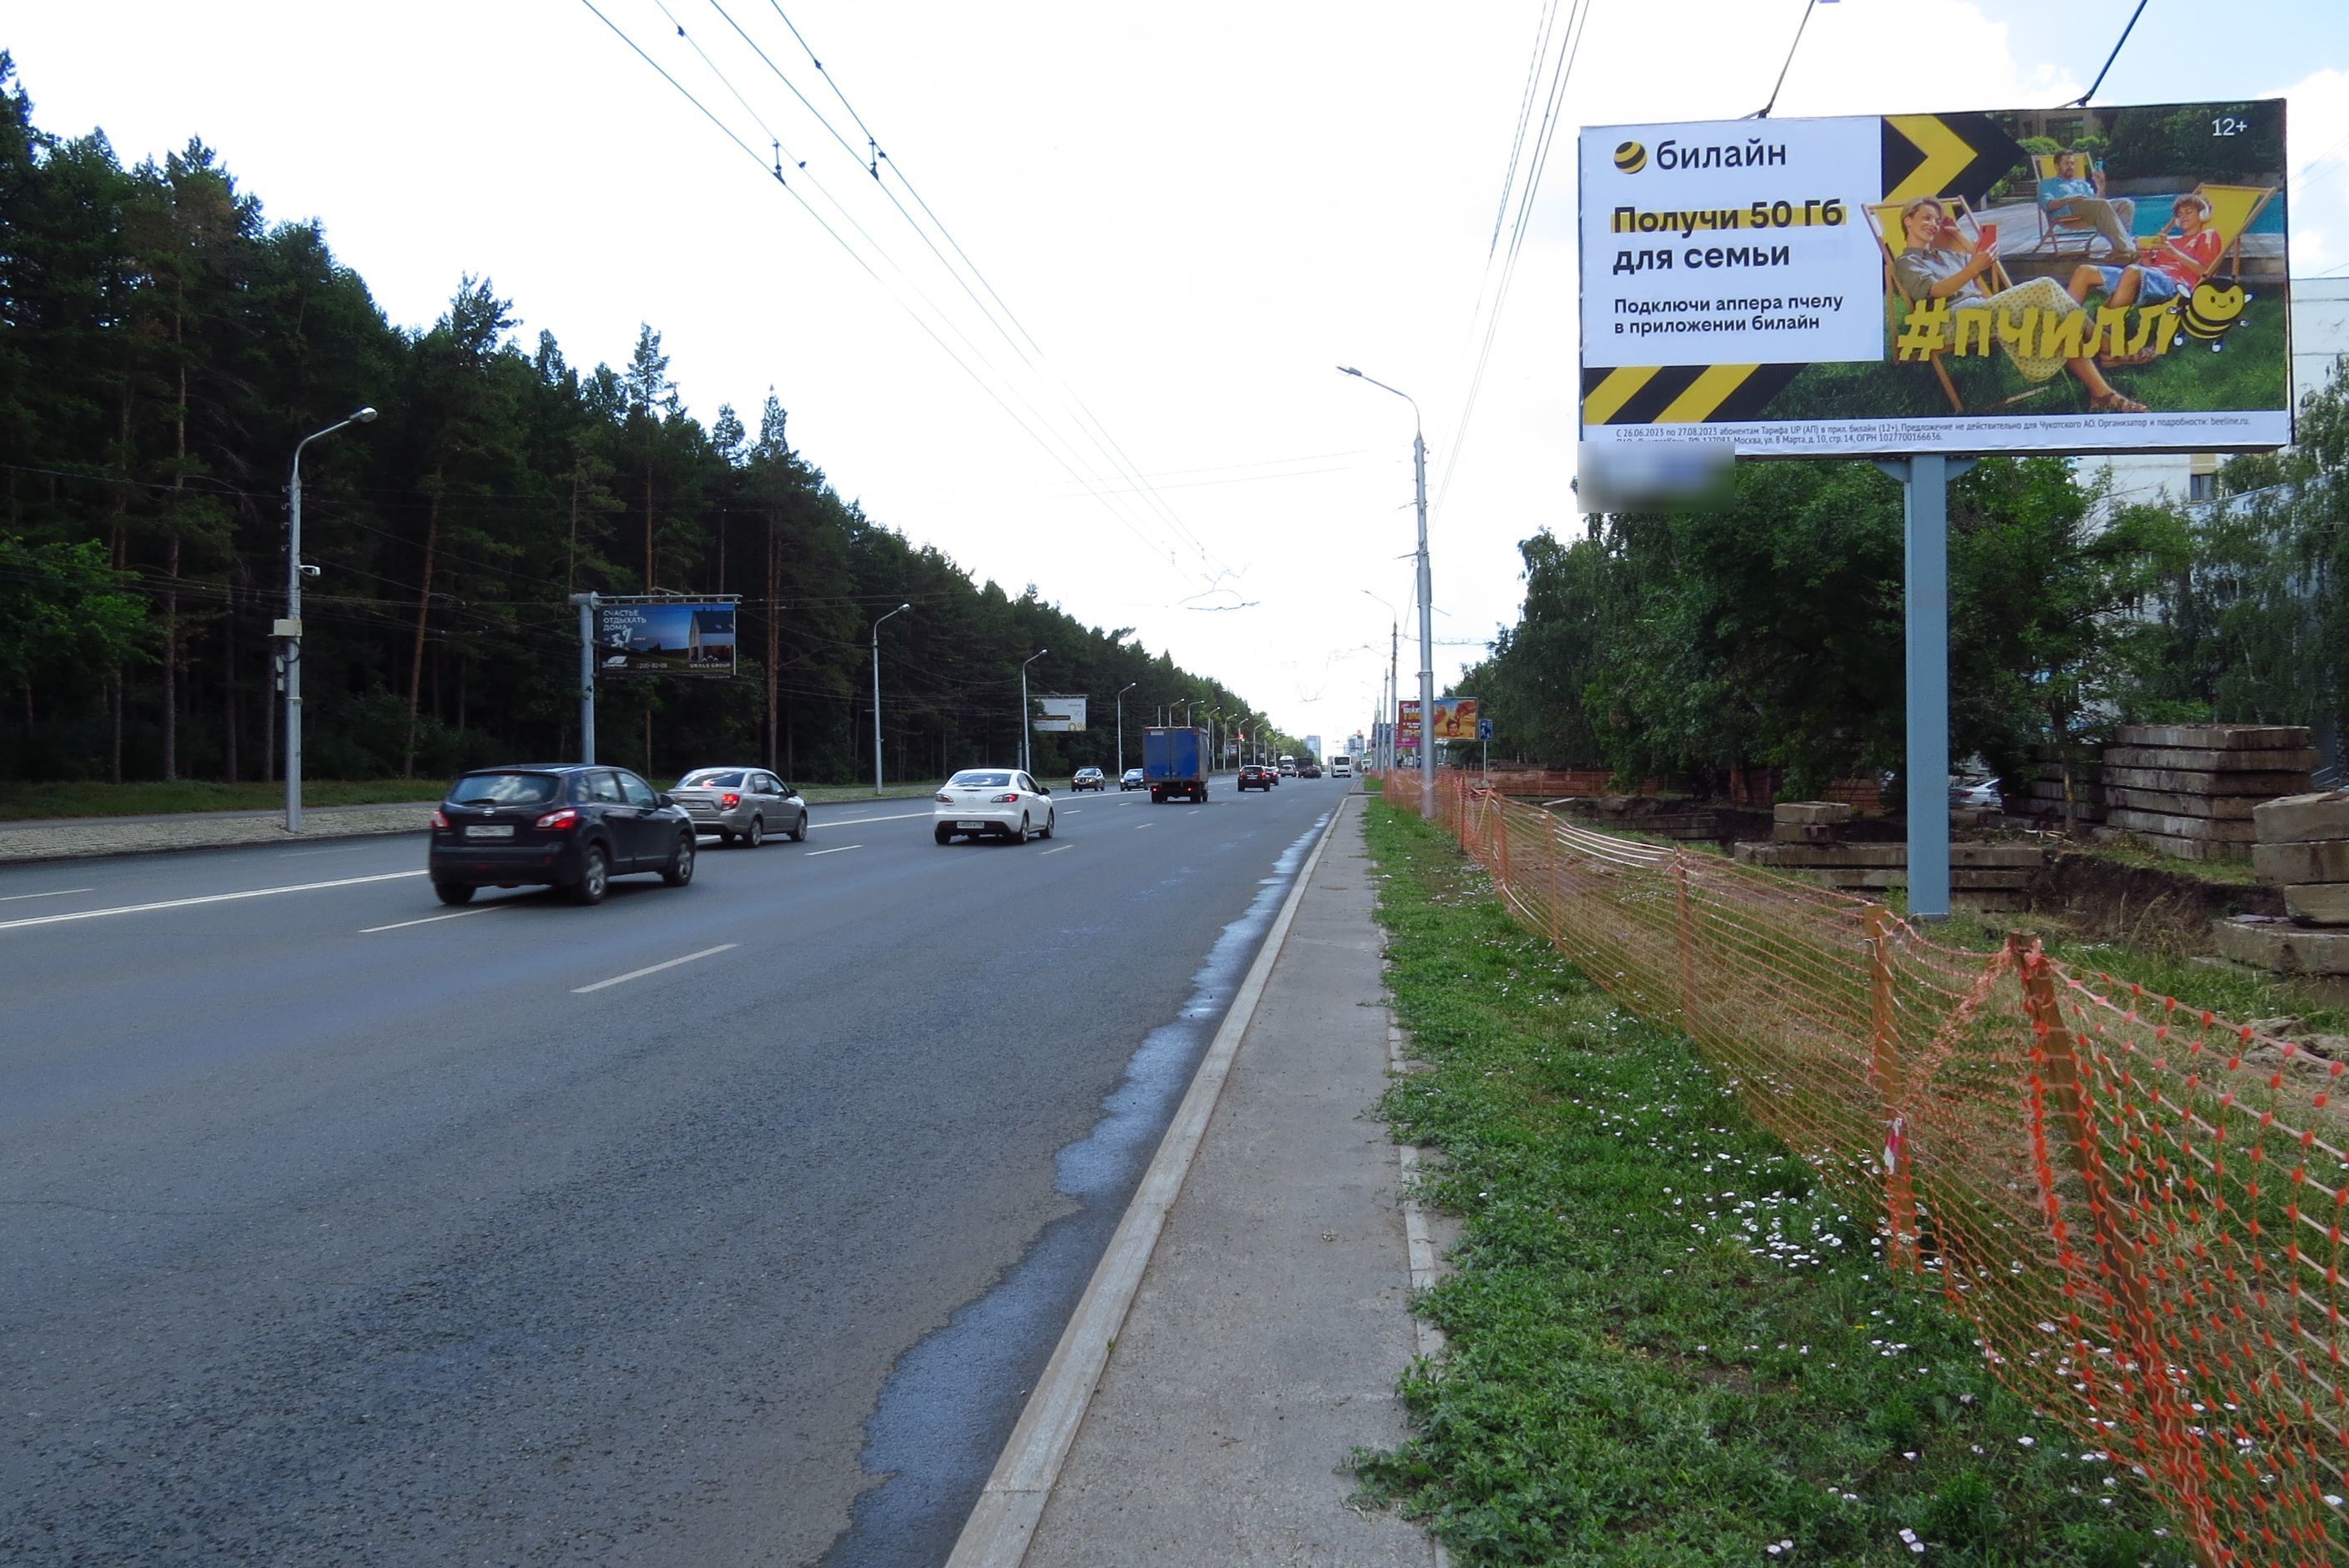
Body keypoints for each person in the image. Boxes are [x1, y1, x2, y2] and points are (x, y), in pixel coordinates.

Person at [1890, 197, 2147, 414]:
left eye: (1936, 220)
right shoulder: (1906, 262)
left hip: (1982, 308)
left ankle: (2101, 393)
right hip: (1950, 320)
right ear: (1907, 221)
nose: (1933, 225)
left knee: (2052, 316)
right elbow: (1935, 292)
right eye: (1926, 218)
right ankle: (2110, 347)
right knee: (2045, 287)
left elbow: (1983, 260)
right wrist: (1972, 269)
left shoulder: (1944, 253)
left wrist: (1956, 234)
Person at [2066, 192, 2221, 311]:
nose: (2183, 217)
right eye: (2180, 214)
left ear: (2203, 215)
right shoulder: (2170, 241)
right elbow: (2150, 270)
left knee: (2133, 271)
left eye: (2189, 212)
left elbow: (2207, 272)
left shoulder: (2207, 236)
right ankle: (2066, 324)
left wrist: (2174, 254)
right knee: (2085, 271)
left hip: (2176, 284)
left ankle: (2105, 327)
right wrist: (2145, 257)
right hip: (2150, 278)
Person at [2040, 151, 2135, 259]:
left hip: (2089, 211)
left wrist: (2101, 187)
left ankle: (2118, 250)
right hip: (2067, 211)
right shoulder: (2047, 183)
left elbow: (2098, 203)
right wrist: (2069, 200)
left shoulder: (2081, 183)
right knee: (2101, 205)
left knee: (2126, 204)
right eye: (2067, 163)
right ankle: (2128, 249)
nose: (2071, 166)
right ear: (2057, 166)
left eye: (2072, 163)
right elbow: (2047, 205)